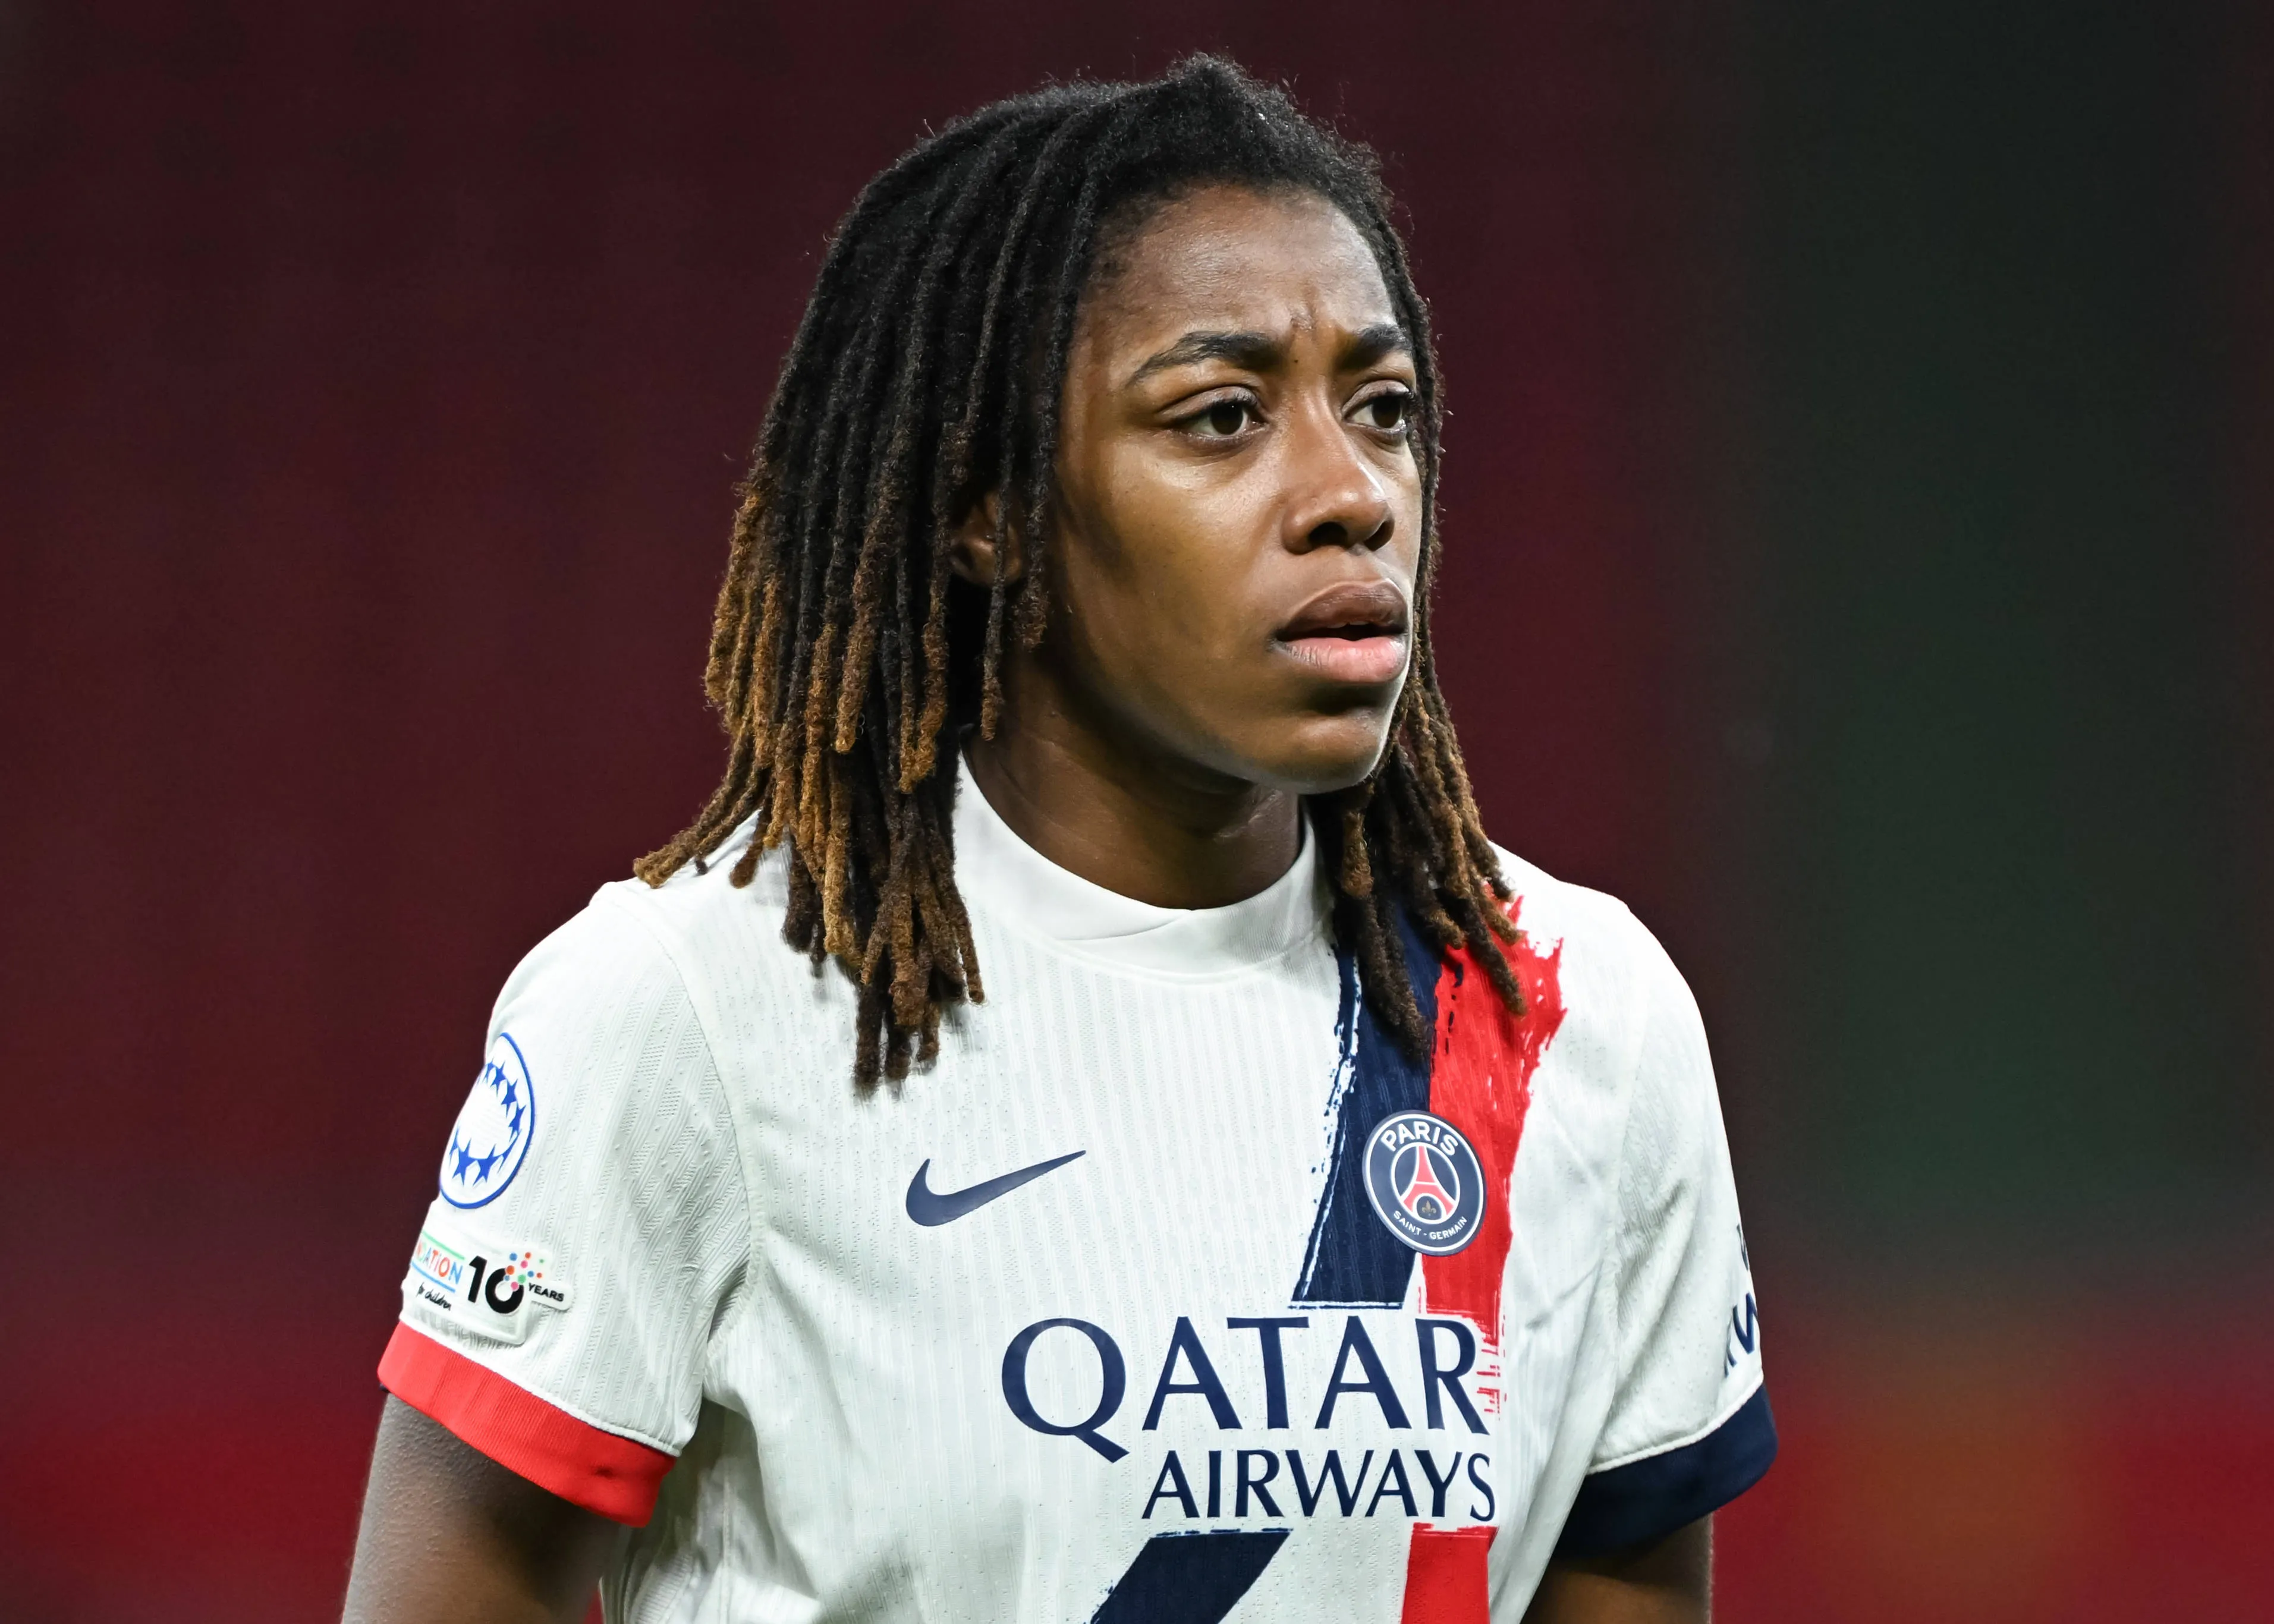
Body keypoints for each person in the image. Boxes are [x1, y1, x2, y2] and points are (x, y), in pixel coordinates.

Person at [342, 56, 1774, 1624]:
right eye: (1221, 419)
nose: (1353, 492)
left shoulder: (1583, 1014)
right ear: (991, 506)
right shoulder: (690, 1004)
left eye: (1384, 410)